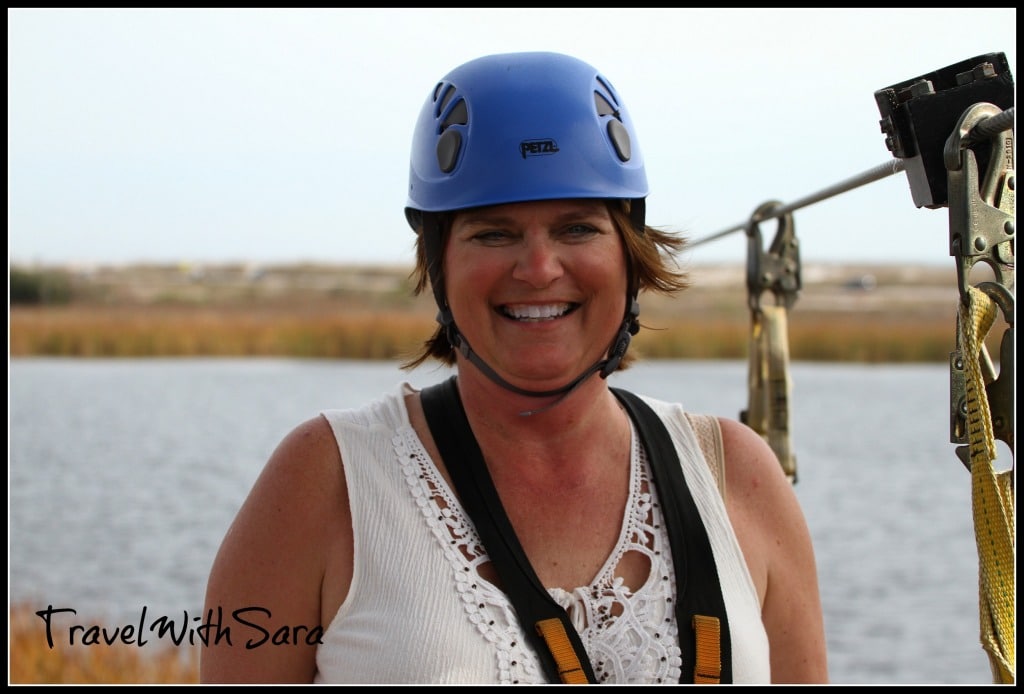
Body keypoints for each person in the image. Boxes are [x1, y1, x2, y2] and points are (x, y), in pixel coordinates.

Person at [200, 51, 829, 684]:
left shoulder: (738, 476)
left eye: (577, 228)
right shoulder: (326, 480)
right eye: (493, 233)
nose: (538, 269)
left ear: (630, 255)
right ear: (439, 263)